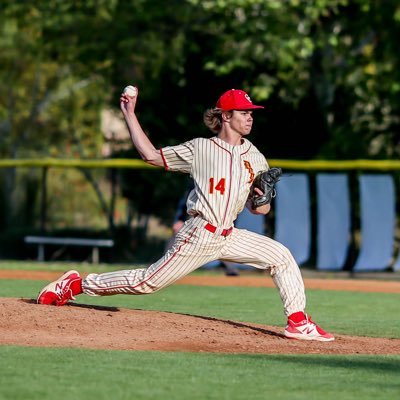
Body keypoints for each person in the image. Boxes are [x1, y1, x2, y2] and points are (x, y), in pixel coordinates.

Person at [37, 88, 334, 342]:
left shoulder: (256, 156)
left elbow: (259, 210)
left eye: (251, 111)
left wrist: (264, 197)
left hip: (229, 235)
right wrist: (129, 113)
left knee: (281, 256)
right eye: (243, 111)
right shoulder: (200, 149)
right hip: (199, 233)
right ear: (225, 116)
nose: (250, 116)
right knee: (146, 283)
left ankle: (298, 321)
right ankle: (76, 284)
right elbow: (150, 155)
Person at [170, 179, 240, 276]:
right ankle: (168, 265)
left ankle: (230, 267)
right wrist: (180, 219)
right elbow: (186, 199)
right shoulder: (201, 176)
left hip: (219, 217)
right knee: (179, 232)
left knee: (224, 239)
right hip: (198, 215)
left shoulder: (230, 179)